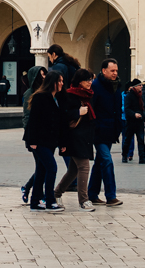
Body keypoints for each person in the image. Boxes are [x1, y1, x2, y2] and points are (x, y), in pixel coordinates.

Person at [52, 67, 96, 210]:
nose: (89, 83)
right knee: (84, 167)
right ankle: (84, 200)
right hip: (74, 136)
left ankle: (56, 193)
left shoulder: (88, 95)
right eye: (86, 80)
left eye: (90, 79)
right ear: (79, 81)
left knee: (73, 170)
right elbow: (63, 115)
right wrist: (78, 112)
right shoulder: (69, 95)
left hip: (85, 136)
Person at [23, 70, 65, 212]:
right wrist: (33, 141)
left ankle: (35, 201)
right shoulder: (40, 97)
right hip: (39, 141)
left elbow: (57, 122)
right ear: (52, 82)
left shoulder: (55, 98)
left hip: (50, 140)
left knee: (41, 170)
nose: (61, 83)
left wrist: (61, 143)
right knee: (51, 167)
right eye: (59, 81)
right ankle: (49, 201)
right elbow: (34, 120)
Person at [88, 58, 122, 206]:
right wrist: (94, 127)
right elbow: (91, 108)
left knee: (100, 162)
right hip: (99, 130)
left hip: (111, 130)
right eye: (112, 71)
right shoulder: (95, 86)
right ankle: (111, 196)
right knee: (107, 161)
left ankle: (92, 194)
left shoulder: (116, 86)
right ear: (104, 71)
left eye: (116, 71)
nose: (115, 73)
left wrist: (118, 127)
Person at [122, 79, 145, 164]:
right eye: (140, 85)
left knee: (141, 140)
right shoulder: (129, 96)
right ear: (135, 86)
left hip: (139, 122)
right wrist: (134, 114)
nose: (141, 86)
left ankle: (142, 158)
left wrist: (144, 120)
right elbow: (127, 109)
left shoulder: (140, 95)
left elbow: (142, 109)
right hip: (131, 122)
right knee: (128, 140)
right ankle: (124, 156)